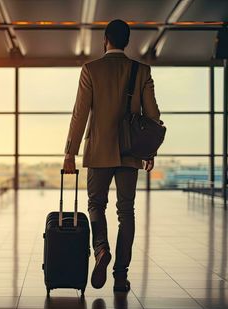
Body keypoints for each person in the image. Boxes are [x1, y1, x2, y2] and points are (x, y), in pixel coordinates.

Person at [63, 19, 160, 292]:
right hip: (131, 153)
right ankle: (120, 275)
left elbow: (80, 114)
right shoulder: (142, 71)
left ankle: (101, 248)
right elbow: (153, 115)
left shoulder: (90, 69)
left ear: (105, 40)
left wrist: (70, 153)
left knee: (96, 204)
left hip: (98, 152)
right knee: (126, 211)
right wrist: (149, 150)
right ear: (127, 42)